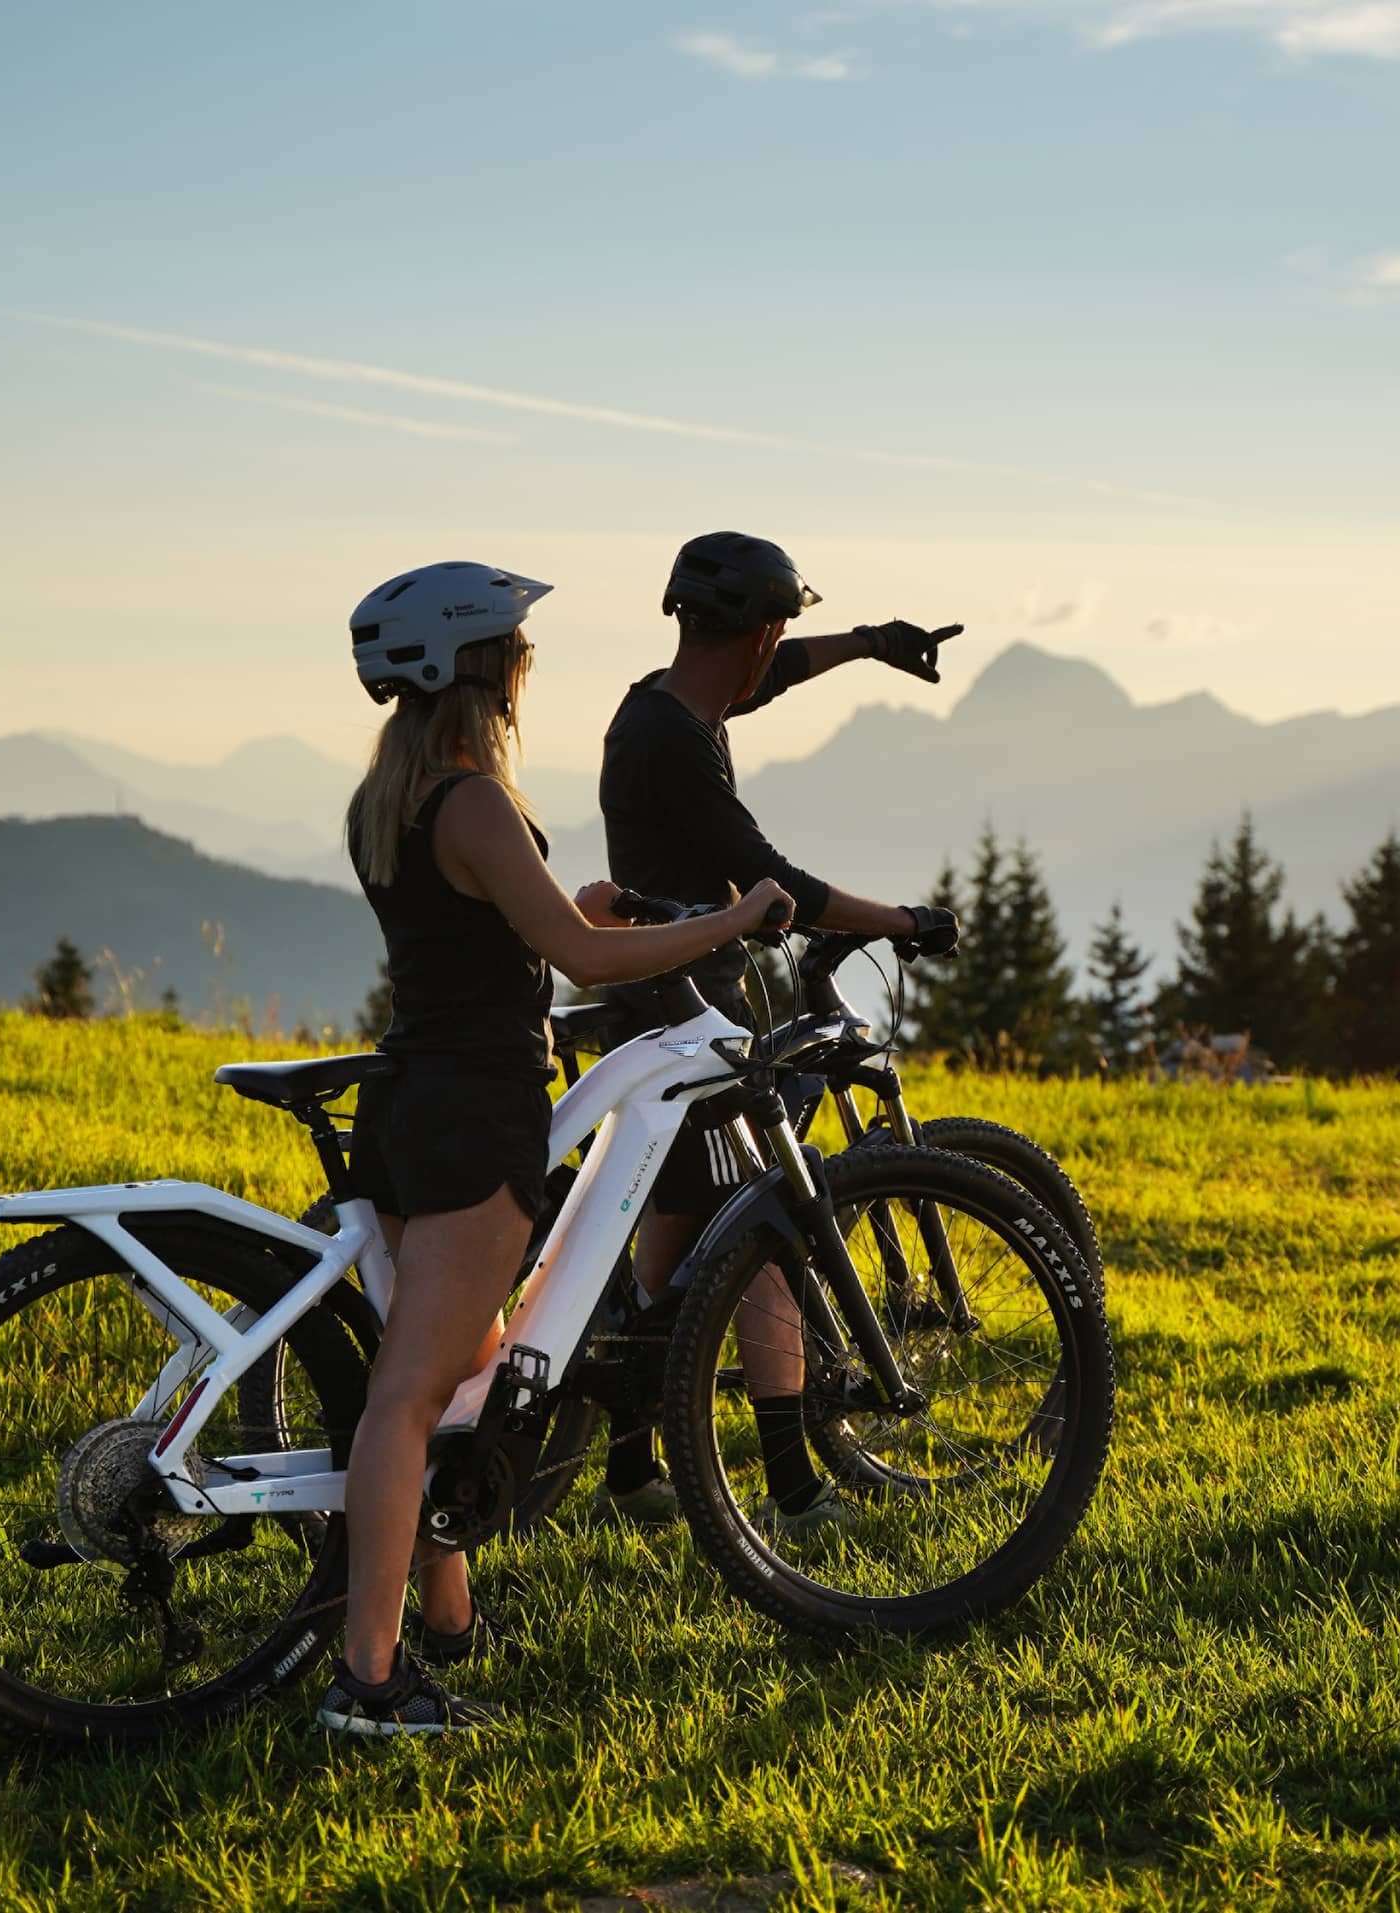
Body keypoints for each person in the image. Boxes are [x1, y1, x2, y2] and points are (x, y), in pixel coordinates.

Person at [315, 559, 793, 1738]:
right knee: (411, 1397)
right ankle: (368, 1682)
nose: (528, 667)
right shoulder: (475, 797)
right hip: (480, 1114)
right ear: (482, 667)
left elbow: (495, 933)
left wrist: (575, 909)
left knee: (459, 1374)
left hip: (416, 1098)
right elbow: (575, 963)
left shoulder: (398, 798)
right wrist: (732, 916)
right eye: (517, 650)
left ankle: (448, 1619)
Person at [592, 530, 961, 1533]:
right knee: (761, 1238)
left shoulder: (667, 702)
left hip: (670, 1000)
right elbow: (778, 885)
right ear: (756, 631)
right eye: (782, 628)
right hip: (683, 1009)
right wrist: (904, 920)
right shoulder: (674, 741)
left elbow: (776, 674)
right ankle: (795, 1490)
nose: (782, 647)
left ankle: (629, 1473)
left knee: (668, 1243)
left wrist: (871, 643)